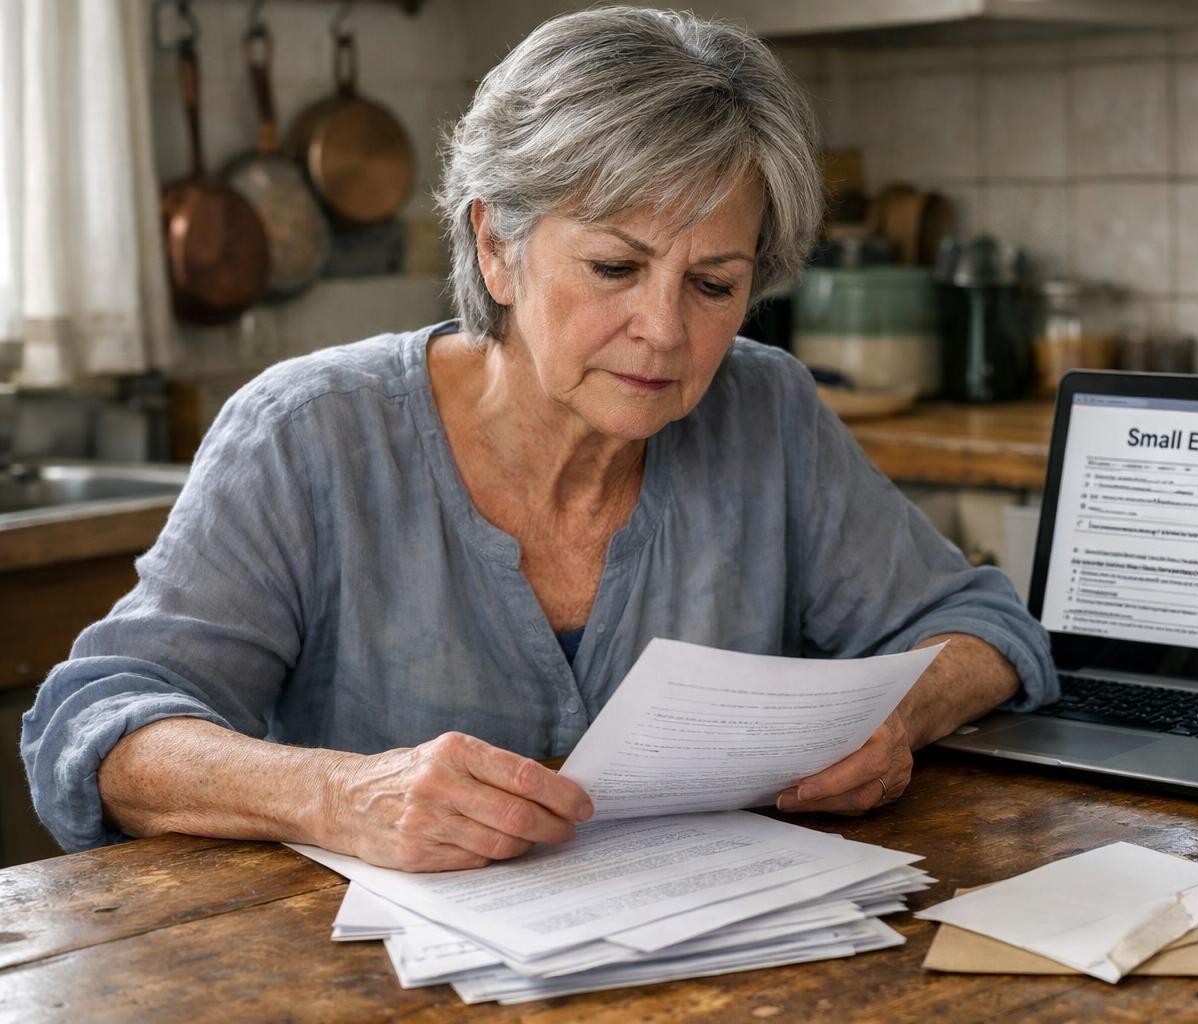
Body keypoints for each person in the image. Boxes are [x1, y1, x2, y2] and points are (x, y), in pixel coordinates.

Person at [22, 6, 1055, 872]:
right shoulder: (307, 436)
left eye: (714, 284)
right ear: (496, 245)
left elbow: (982, 626)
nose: (665, 330)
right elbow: (99, 726)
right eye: (615, 267)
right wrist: (337, 792)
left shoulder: (766, 411)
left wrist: (894, 720)